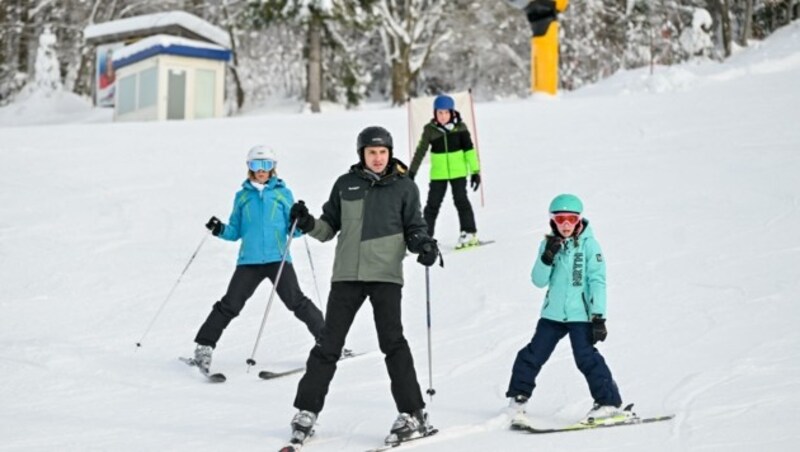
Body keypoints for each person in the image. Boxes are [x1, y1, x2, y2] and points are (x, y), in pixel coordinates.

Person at [284, 126, 439, 448]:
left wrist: (423, 245)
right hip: (347, 277)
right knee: (328, 344)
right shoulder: (345, 185)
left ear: (390, 153)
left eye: (383, 152)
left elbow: (415, 228)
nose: (378, 158)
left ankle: (413, 413)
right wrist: (308, 222)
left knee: (392, 342)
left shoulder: (405, 188)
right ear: (362, 154)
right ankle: (306, 412)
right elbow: (328, 230)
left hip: (385, 275)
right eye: (372, 152)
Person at [191, 146, 325, 374]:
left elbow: (297, 232)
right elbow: (235, 231)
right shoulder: (242, 196)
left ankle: (328, 341)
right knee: (230, 304)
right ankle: (204, 346)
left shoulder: (283, 194)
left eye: (266, 165)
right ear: (249, 168)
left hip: (278, 259)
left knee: (296, 301)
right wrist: (219, 229)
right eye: (256, 165)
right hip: (249, 261)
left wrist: (300, 220)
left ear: (273, 167)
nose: (261, 171)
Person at [505, 194, 626, 425]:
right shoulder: (548, 244)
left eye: (571, 219)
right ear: (553, 221)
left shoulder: (590, 245)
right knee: (532, 354)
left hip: (581, 315)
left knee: (586, 357)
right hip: (553, 314)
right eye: (560, 219)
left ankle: (609, 403)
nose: (566, 225)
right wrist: (546, 257)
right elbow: (538, 281)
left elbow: (597, 281)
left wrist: (598, 316)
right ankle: (517, 399)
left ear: (579, 220)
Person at [408, 94, 481, 249]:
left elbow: (469, 151)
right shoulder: (430, 130)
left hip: (458, 172)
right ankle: (425, 236)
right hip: (438, 174)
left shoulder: (461, 128)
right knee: (432, 205)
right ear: (435, 113)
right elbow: (420, 151)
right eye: (439, 113)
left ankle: (469, 233)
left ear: (452, 112)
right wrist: (412, 172)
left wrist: (475, 171)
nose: (443, 116)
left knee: (461, 201)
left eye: (446, 112)